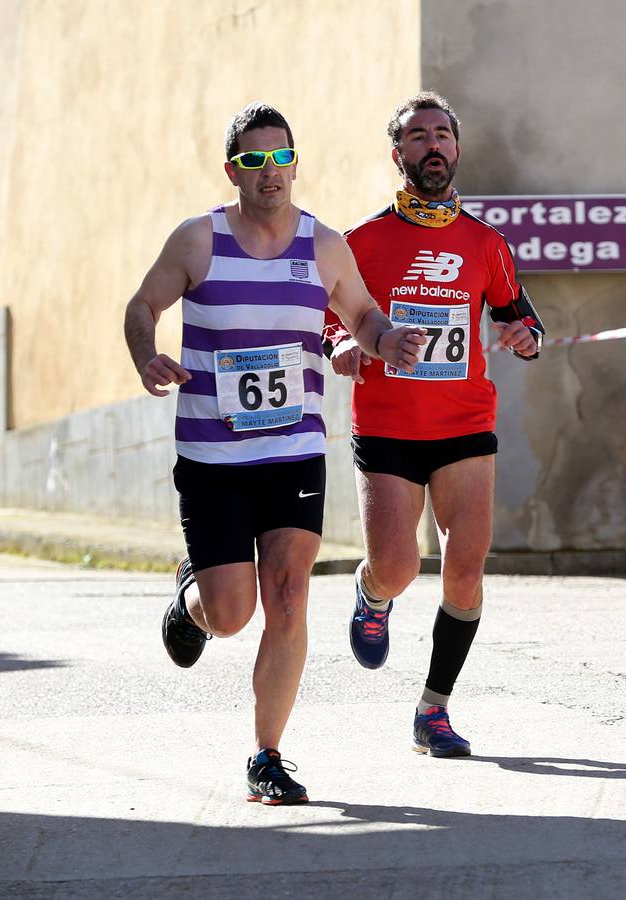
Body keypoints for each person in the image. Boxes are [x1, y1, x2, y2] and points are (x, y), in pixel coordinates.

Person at [123, 101, 423, 804]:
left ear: (294, 162)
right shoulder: (198, 241)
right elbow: (142, 307)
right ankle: (191, 594)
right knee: (231, 614)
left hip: (292, 452)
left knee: (288, 598)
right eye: (254, 160)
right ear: (233, 170)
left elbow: (364, 315)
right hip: (212, 459)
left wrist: (388, 342)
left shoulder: (323, 245)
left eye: (280, 157)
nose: (270, 172)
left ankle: (267, 756)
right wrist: (147, 358)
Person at [323, 91, 544, 758]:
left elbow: (518, 314)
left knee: (466, 569)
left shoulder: (487, 244)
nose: (433, 145)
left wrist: (526, 336)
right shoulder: (359, 243)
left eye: (442, 133)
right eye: (418, 136)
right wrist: (342, 347)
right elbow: (330, 320)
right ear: (399, 156)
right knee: (396, 567)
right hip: (389, 426)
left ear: (456, 150)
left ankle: (434, 710)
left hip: (464, 426)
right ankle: (372, 593)